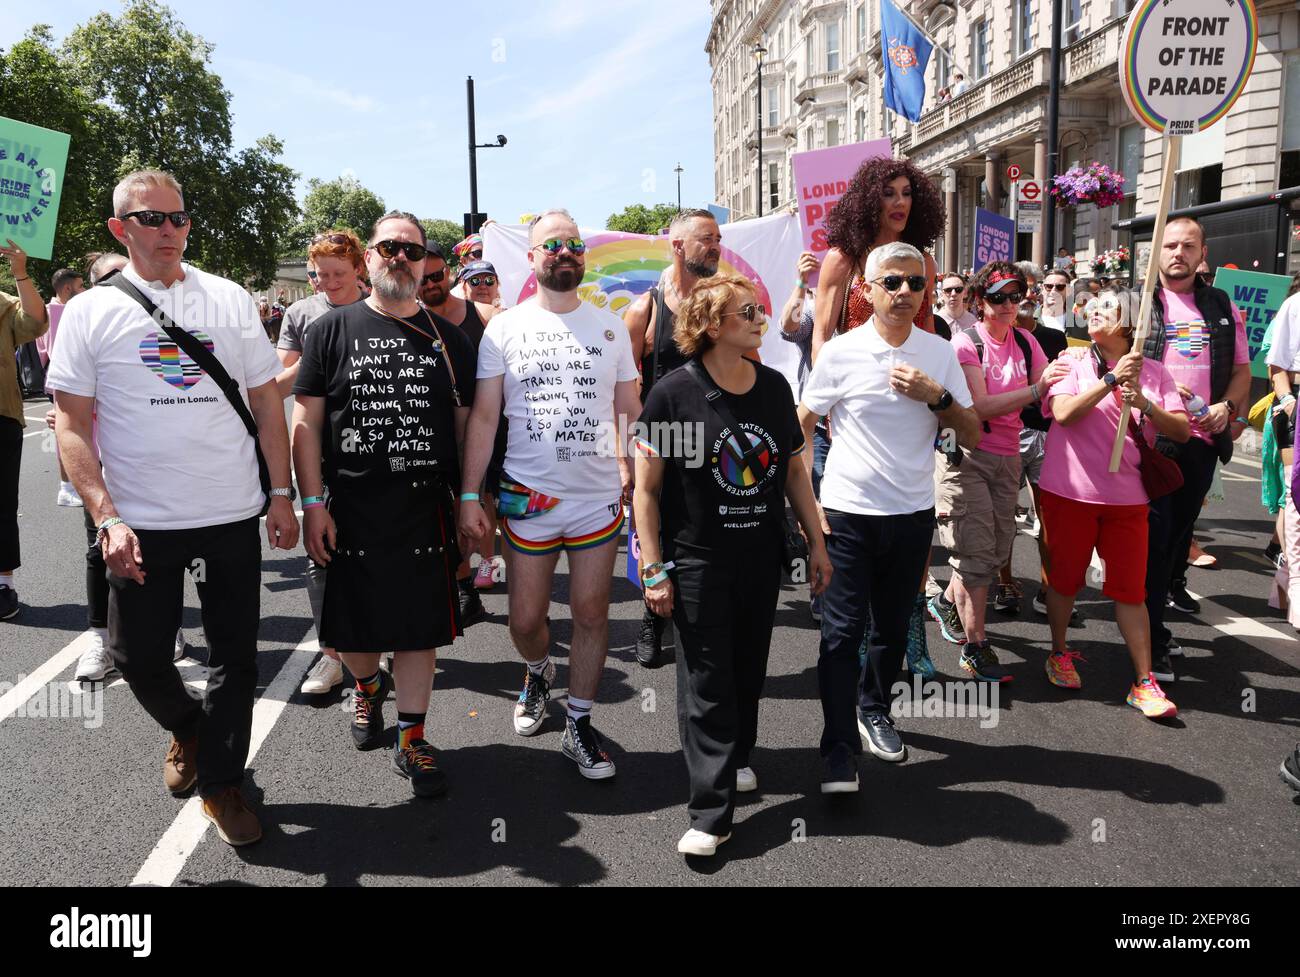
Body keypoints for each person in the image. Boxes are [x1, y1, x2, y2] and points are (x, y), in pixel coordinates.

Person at [49, 169, 298, 845]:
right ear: (119, 228)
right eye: (152, 218)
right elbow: (70, 424)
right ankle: (188, 726)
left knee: (236, 656)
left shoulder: (226, 299)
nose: (169, 230)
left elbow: (267, 399)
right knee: (136, 654)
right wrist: (106, 515)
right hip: (142, 521)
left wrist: (281, 493)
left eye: (179, 218)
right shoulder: (90, 312)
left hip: (229, 512)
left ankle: (222, 783)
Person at [634, 273, 830, 856]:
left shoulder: (772, 388)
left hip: (761, 555)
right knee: (707, 680)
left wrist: (817, 542)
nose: (759, 318)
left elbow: (795, 472)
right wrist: (653, 566)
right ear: (712, 325)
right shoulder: (672, 392)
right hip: (696, 560)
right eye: (747, 311)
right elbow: (646, 492)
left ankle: (737, 756)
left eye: (760, 310)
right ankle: (710, 813)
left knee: (747, 668)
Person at [293, 210, 476, 798]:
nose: (400, 256)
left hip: (426, 507)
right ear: (368, 256)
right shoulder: (329, 330)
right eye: (388, 246)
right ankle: (368, 687)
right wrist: (311, 503)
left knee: (419, 631)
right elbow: (306, 421)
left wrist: (474, 497)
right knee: (353, 631)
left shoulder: (448, 339)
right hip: (349, 504)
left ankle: (412, 738)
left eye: (412, 250)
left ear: (425, 264)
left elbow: (468, 423)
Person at [459, 209, 642, 779]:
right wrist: (469, 495)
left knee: (591, 612)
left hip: (596, 499)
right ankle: (538, 670)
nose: (565, 252)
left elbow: (629, 413)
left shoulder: (610, 328)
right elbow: (485, 419)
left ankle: (580, 725)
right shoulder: (503, 328)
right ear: (533, 259)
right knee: (524, 620)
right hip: (526, 497)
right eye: (552, 245)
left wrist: (642, 481)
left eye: (574, 244)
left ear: (582, 257)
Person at [798, 242, 978, 791]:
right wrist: (808, 509)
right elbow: (800, 425)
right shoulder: (842, 351)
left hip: (911, 514)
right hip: (849, 514)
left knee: (893, 626)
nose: (905, 293)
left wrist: (937, 396)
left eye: (916, 284)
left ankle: (875, 708)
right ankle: (837, 749)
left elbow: (970, 431)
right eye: (893, 282)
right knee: (840, 631)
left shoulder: (939, 352)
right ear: (868, 290)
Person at [1037, 287, 1189, 719]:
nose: (1095, 311)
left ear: (1132, 323)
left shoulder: (1155, 372)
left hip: (1128, 499)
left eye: (1108, 306)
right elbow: (1064, 413)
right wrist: (1109, 381)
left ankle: (1144, 680)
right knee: (1065, 580)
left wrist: (1144, 402)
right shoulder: (1070, 361)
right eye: (1093, 305)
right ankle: (1059, 651)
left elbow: (1180, 431)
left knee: (1131, 590)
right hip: (1069, 492)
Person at [929, 263, 1067, 681]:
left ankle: (949, 602)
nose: (1009, 305)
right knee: (975, 552)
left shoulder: (1026, 342)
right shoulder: (965, 344)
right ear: (979, 301)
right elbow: (979, 407)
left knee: (993, 550)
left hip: (1008, 457)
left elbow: (1051, 393)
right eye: (997, 297)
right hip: (966, 455)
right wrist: (1038, 390)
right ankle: (976, 648)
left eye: (1015, 296)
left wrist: (1086, 377)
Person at [1142, 217, 1250, 680]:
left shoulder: (1221, 305)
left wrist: (1229, 408)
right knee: (1154, 540)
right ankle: (1149, 640)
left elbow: (1243, 370)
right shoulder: (1140, 301)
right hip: (1151, 441)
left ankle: (1156, 629)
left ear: (1202, 252)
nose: (1177, 253)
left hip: (1202, 442)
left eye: (1188, 245)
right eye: (1169, 245)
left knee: (1176, 540)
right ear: (1157, 252)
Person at [623, 207, 723, 667]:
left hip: (714, 435)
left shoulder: (722, 302)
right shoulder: (645, 308)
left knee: (708, 529)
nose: (717, 246)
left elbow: (753, 366)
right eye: (708, 238)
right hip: (660, 438)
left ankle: (702, 621)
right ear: (679, 245)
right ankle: (652, 619)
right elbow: (622, 388)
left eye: (719, 238)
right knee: (656, 532)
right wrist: (626, 459)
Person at [276, 229, 366, 696]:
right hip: (318, 448)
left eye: (337, 274)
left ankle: (382, 646)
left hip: (371, 449)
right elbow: (281, 383)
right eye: (319, 274)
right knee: (320, 554)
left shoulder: (379, 308)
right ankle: (331, 655)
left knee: (376, 552)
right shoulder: (301, 313)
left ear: (358, 270)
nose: (327, 283)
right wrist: (316, 354)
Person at [418, 246, 500, 607]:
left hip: (480, 424)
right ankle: (461, 582)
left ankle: (479, 570)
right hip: (431, 426)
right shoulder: (409, 316)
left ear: (449, 274)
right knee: (443, 503)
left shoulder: (482, 314)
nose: (431, 284)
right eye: (423, 278)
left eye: (437, 276)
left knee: (479, 498)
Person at [811, 157, 945, 367]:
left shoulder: (923, 262)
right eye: (889, 193)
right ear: (870, 201)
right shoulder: (842, 260)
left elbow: (928, 329)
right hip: (857, 385)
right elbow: (820, 339)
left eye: (907, 193)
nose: (900, 201)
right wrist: (830, 392)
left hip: (914, 383)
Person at [996, 299, 1071, 621]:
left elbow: (1064, 385)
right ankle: (1005, 584)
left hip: (1049, 435)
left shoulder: (1054, 338)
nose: (1016, 304)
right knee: (1004, 516)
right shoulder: (996, 337)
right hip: (1009, 433)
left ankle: (1048, 587)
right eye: (1006, 297)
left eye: (1023, 296)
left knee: (1051, 518)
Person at [0, 237, 50, 621]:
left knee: (2, 504)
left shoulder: (3, 305)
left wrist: (20, 273)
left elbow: (35, 321)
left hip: (1, 416)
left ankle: (4, 584)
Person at [37, 268, 86, 507]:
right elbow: (54, 352)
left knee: (72, 430)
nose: (85, 290)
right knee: (67, 431)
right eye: (81, 286)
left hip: (64, 380)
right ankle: (66, 487)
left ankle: (70, 486)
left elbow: (41, 351)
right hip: (66, 381)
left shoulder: (47, 311)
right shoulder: (56, 312)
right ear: (67, 288)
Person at [1039, 268, 1072, 332]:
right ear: (1042, 288)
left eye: (1060, 287)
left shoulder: (1081, 324)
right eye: (1049, 286)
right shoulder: (1027, 319)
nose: (1053, 291)